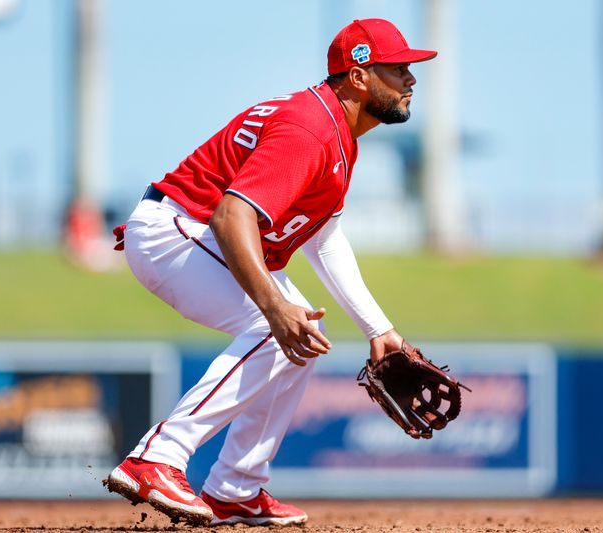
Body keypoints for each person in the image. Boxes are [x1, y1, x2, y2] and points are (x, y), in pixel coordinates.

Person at [106, 18, 437, 527]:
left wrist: (379, 329)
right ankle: (158, 457)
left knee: (303, 331)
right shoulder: (310, 128)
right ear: (358, 76)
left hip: (199, 231)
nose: (411, 79)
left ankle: (236, 486)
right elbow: (231, 215)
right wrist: (273, 306)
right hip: (176, 229)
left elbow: (322, 238)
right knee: (272, 323)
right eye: (398, 69)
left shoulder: (337, 133)